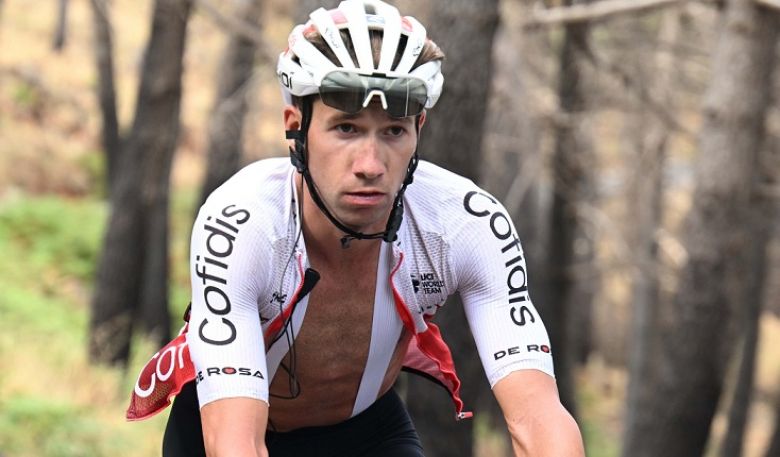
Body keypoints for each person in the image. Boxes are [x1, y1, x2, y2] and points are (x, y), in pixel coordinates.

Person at [127, 1, 585, 456]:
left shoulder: (465, 222)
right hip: (235, 425)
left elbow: (537, 417)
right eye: (346, 128)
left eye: (393, 131)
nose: (370, 165)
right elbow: (235, 443)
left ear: (419, 129)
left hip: (365, 430)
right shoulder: (243, 222)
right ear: (297, 129)